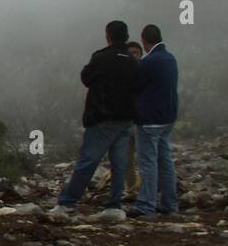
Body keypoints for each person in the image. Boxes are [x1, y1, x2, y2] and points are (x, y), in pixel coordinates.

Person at [55, 20, 138, 213]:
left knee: (88, 160)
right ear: (126, 36)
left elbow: (86, 78)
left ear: (108, 36)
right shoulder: (133, 61)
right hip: (126, 119)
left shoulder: (101, 58)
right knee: (120, 163)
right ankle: (114, 204)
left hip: (102, 117)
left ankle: (68, 201)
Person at [129, 24, 179, 218]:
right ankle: (169, 203)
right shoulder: (170, 58)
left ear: (144, 40)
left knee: (147, 162)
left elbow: (137, 86)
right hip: (168, 117)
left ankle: (146, 205)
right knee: (165, 161)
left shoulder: (148, 62)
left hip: (150, 119)